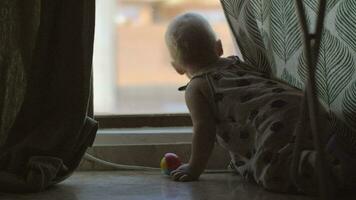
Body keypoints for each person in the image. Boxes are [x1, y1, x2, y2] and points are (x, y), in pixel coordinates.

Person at [164, 12, 355, 194]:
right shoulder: (236, 63)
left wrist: (194, 167)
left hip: (275, 122)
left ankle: (334, 169)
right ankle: (331, 152)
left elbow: (204, 131)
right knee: (303, 143)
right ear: (219, 47)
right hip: (303, 104)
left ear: (177, 68)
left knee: (273, 170)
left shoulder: (197, 87)